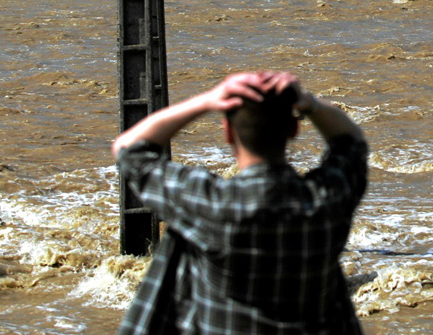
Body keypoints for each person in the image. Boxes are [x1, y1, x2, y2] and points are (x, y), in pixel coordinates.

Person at [113, 71, 368, 334]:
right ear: (294, 129)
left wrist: (208, 101)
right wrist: (308, 102)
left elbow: (129, 149)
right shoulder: (325, 202)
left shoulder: (211, 205)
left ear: (227, 133)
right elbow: (352, 143)